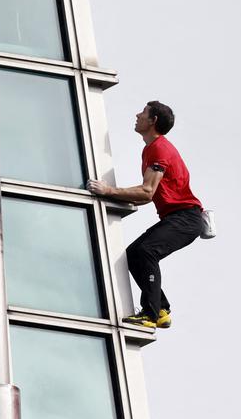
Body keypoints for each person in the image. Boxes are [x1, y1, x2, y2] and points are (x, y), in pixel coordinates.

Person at [88, 100, 207, 329]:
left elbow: (146, 192)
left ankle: (150, 315)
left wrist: (108, 191)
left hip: (186, 218)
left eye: (143, 112)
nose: (137, 115)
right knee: (134, 254)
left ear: (153, 120)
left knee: (145, 251)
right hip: (179, 218)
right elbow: (147, 196)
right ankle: (160, 309)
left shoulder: (160, 149)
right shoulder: (151, 149)